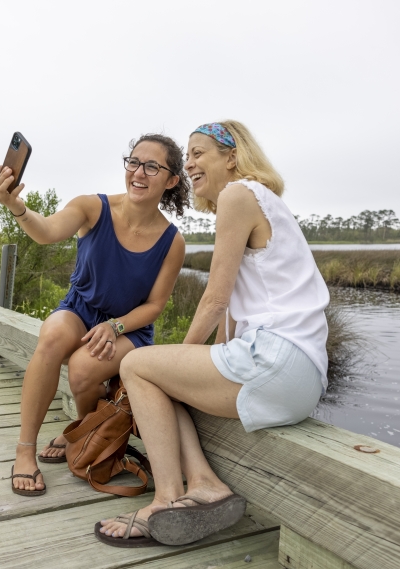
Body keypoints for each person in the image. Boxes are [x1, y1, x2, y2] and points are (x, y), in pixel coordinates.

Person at [96, 121, 329, 547]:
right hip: (301, 375)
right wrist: (182, 371)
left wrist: (173, 361)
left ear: (232, 156)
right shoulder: (264, 201)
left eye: (198, 153)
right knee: (162, 381)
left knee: (136, 364)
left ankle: (165, 499)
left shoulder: (239, 194)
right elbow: (233, 315)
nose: (188, 165)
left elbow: (215, 299)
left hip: (275, 360)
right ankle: (204, 484)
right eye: (187, 157)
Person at [0, 134, 189, 496]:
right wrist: (16, 206)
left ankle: (82, 433)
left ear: (171, 180)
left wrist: (114, 327)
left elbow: (155, 306)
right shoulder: (92, 207)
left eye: (152, 166)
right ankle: (24, 451)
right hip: (80, 308)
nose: (138, 173)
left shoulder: (172, 241)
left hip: (128, 327)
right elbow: (47, 231)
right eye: (133, 162)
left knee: (82, 368)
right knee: (51, 339)